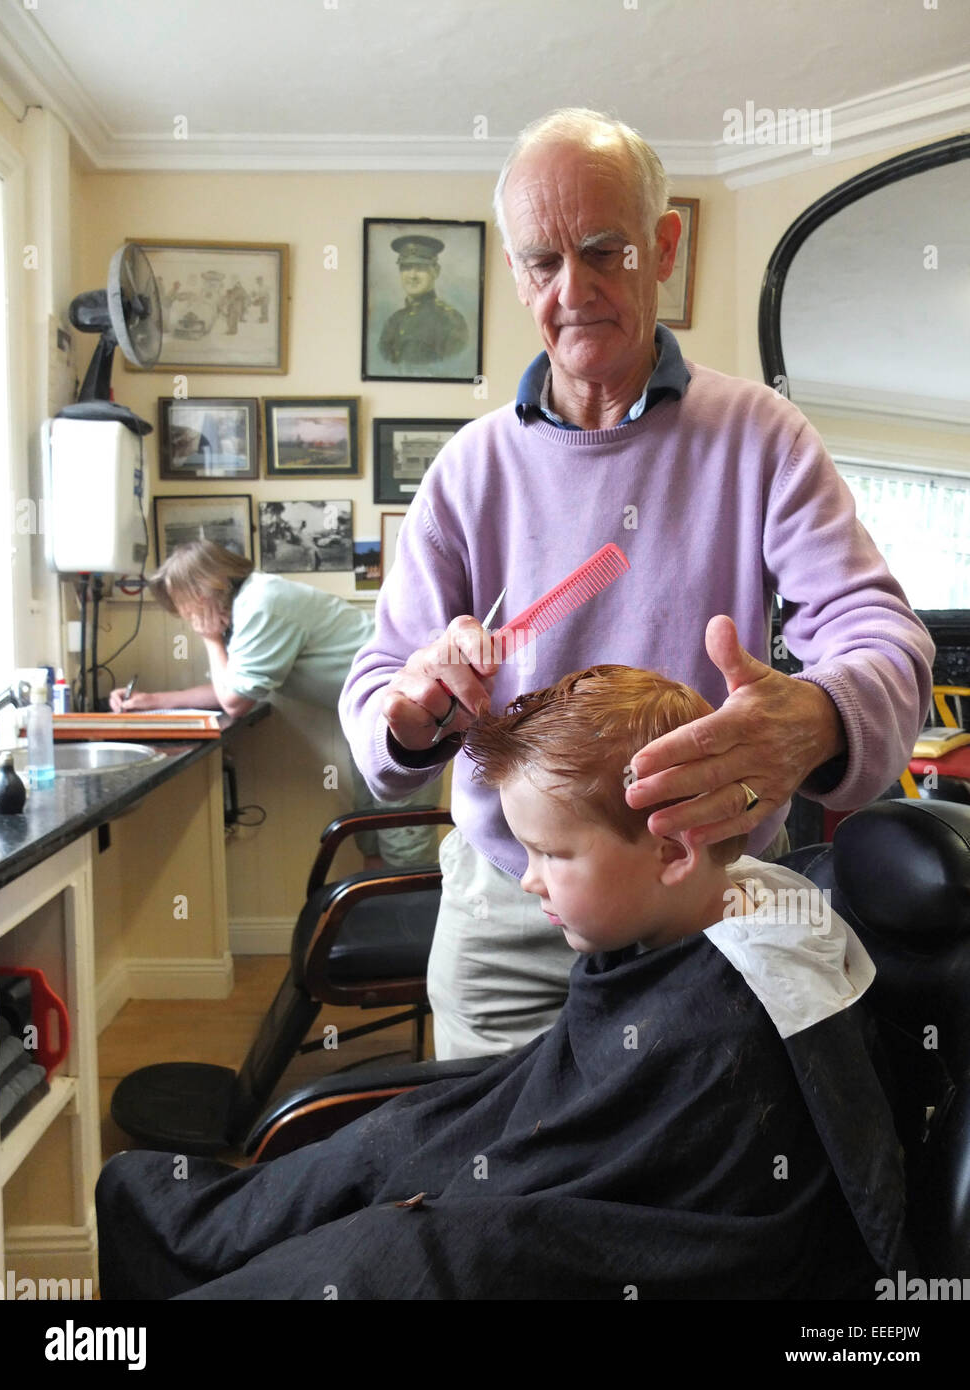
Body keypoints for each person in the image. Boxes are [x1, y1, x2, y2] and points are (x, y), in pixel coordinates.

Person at [339, 107, 935, 1059]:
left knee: (690, 1188)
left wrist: (816, 719)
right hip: (512, 918)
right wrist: (414, 707)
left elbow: (884, 637)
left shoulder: (763, 438)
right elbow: (376, 699)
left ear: (663, 246)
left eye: (605, 251)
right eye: (541, 261)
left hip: (708, 908)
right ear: (513, 271)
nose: (571, 290)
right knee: (491, 1191)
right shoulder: (465, 471)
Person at [94, 666, 908, 1300]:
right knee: (372, 1146)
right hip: (524, 1205)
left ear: (674, 849)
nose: (528, 880)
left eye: (551, 855)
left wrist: (450, 1215)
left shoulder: (731, 1020)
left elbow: (682, 1232)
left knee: (395, 1257)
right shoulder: (665, 936)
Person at [110, 539, 441, 870]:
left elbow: (235, 701)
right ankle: (380, 920)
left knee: (405, 851)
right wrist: (148, 701)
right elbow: (230, 687)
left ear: (202, 592)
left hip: (404, 720)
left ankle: (407, 918)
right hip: (372, 724)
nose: (184, 615)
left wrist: (210, 640)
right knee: (372, 837)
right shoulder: (250, 604)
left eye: (182, 602)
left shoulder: (261, 605)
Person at [378, 234, 469, 366]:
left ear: (436, 271)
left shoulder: (450, 321)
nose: (412, 276)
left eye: (421, 268)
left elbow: (453, 371)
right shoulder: (394, 321)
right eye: (407, 267)